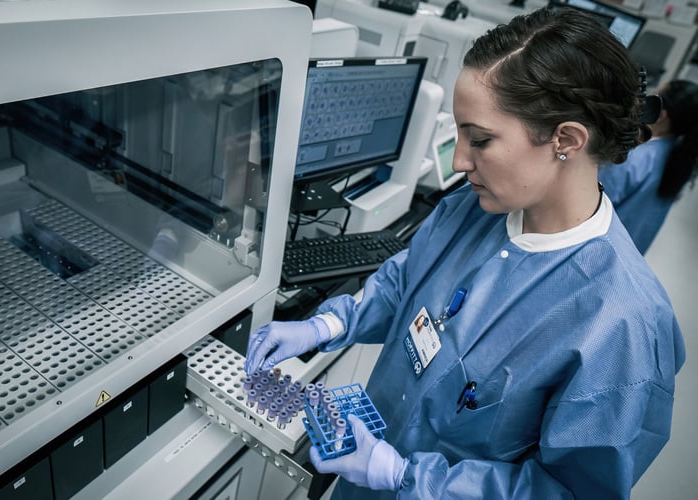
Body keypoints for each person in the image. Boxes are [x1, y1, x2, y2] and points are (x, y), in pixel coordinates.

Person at [246, 6, 685, 499]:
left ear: (566, 139)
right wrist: (329, 324)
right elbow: (407, 282)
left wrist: (407, 477)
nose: (458, 160)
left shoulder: (622, 326)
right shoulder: (475, 208)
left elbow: (572, 492)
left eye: (480, 139)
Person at [599, 79, 698, 254]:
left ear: (660, 115)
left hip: (599, 251)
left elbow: (588, 207)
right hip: (627, 255)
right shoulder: (678, 161)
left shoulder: (634, 158)